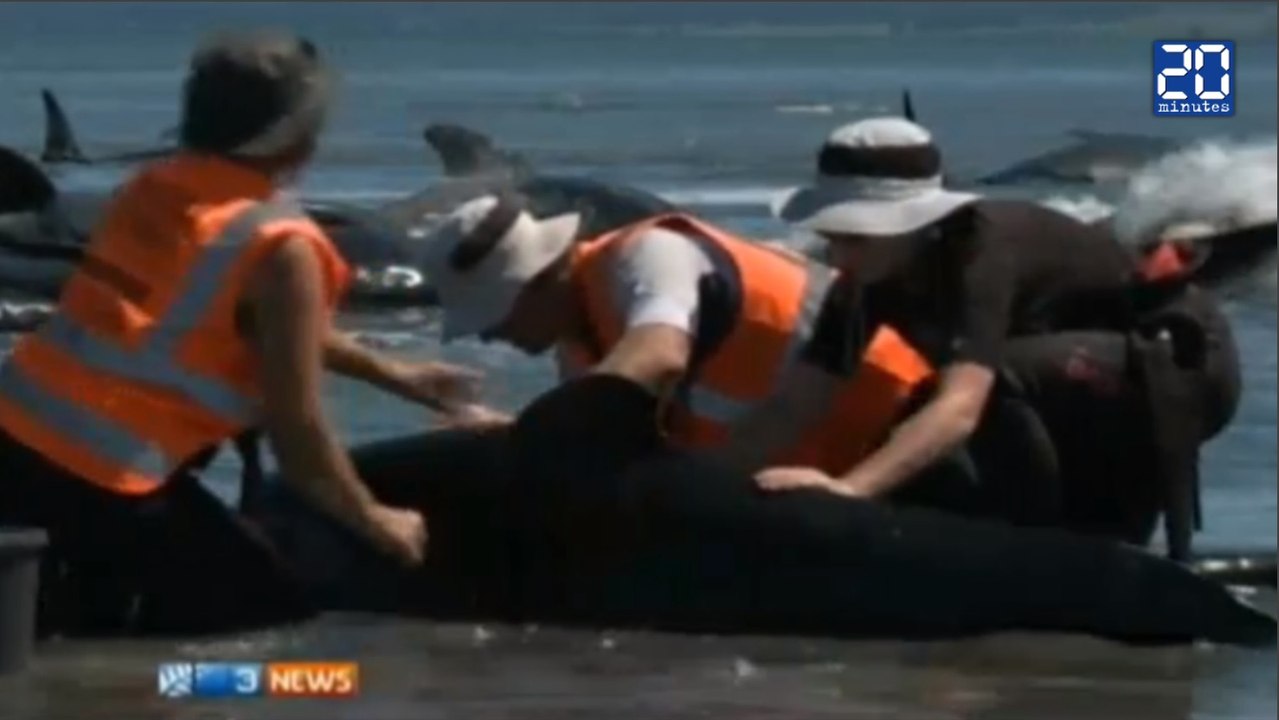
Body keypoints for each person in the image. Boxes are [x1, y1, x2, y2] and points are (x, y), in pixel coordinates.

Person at [0, 30, 496, 638]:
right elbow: (301, 443)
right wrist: (378, 520)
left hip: (16, 444)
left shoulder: (151, 190)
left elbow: (205, 320)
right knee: (271, 628)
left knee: (68, 632)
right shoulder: (281, 248)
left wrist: (394, 373)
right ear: (299, 139)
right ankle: (167, 696)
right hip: (106, 479)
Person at [753, 116, 1241, 554]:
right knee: (909, 439)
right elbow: (797, 402)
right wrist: (708, 479)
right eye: (831, 237)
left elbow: (960, 409)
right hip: (1074, 395)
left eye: (856, 237)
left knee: (985, 382)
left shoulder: (979, 253)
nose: (838, 257)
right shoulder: (859, 284)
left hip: (1179, 369)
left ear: (920, 224)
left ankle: (1031, 547)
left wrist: (850, 493)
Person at [415, 190, 944, 500]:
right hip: (810, 480)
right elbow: (603, 427)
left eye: (494, 315)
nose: (488, 334)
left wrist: (541, 426)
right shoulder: (581, 347)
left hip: (910, 433)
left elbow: (659, 354)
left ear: (537, 280)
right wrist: (513, 431)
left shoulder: (649, 256)